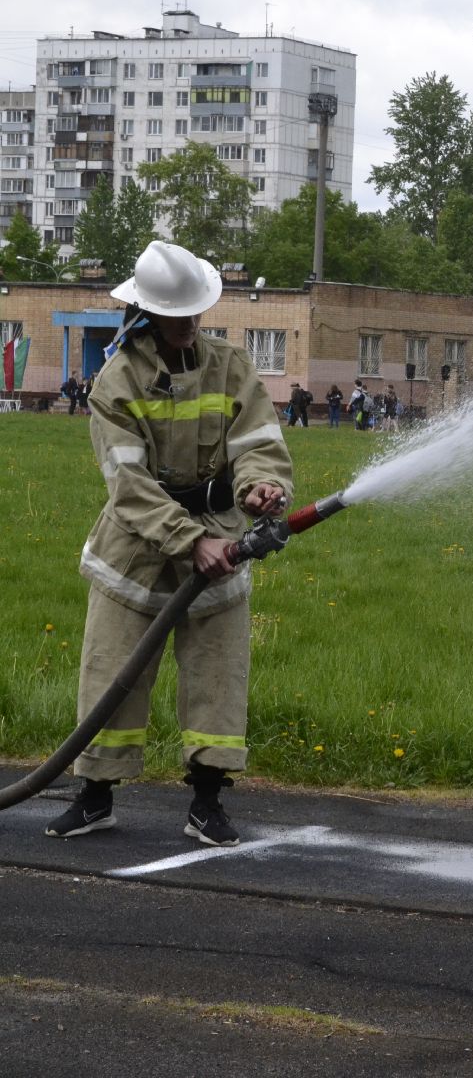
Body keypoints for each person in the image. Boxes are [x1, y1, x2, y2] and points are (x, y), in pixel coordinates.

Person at [44, 240, 293, 848]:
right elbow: (127, 486)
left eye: (193, 313)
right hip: (135, 549)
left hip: (221, 542)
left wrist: (262, 490)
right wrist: (189, 541)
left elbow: (259, 443)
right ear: (146, 313)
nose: (186, 325)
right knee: (111, 674)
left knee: (217, 679)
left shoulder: (231, 366)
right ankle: (96, 796)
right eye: (173, 315)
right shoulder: (116, 379)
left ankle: (207, 802)